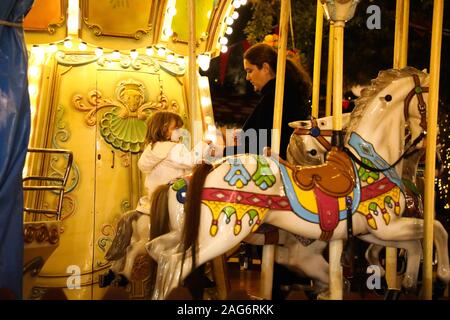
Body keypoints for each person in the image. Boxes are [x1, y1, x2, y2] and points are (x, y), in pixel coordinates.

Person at [100, 110, 216, 289]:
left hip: (151, 200)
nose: (180, 131)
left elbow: (144, 166)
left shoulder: (151, 149)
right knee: (197, 223)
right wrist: (205, 144)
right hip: (171, 198)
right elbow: (192, 161)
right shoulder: (174, 148)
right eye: (176, 128)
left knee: (135, 241)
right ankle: (194, 271)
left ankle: (116, 270)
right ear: (164, 130)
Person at [225, 43, 312, 160]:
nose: (247, 77)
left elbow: (256, 147)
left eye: (250, 71)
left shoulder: (277, 97)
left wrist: (221, 151)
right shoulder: (283, 92)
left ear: (265, 68)